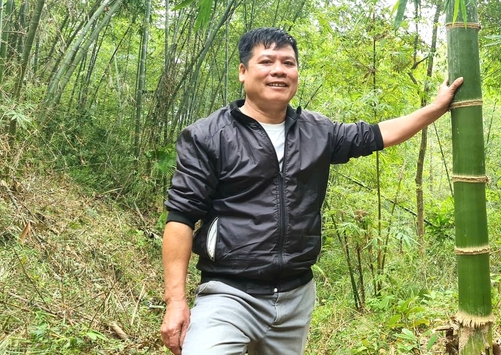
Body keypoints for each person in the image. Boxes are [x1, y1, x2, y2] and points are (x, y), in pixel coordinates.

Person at [160, 27, 463, 355]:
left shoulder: (318, 132)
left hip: (296, 298)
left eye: (288, 63)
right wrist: (176, 300)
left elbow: (377, 135)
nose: (279, 70)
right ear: (243, 72)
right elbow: (180, 218)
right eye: (267, 61)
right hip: (230, 294)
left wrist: (436, 108)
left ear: (297, 74)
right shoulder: (208, 136)